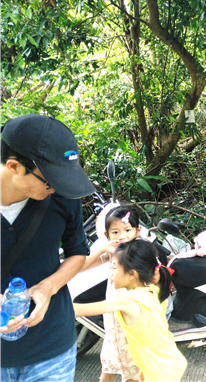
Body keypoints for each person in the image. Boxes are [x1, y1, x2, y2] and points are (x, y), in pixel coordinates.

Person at [1, 114, 95, 381]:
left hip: (52, 350)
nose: (56, 189)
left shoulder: (62, 197)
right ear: (14, 166)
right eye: (50, 181)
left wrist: (48, 287)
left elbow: (78, 252)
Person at [74, 239, 187, 382]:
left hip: (158, 372)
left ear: (132, 274)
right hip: (169, 362)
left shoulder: (127, 300)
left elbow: (78, 310)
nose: (111, 273)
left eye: (114, 268)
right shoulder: (154, 291)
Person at [80, 207, 143, 382]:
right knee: (109, 363)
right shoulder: (113, 254)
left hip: (133, 323)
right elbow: (80, 267)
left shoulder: (142, 253)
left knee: (133, 369)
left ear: (138, 231)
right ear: (107, 235)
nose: (122, 236)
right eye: (115, 232)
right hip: (113, 325)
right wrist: (102, 249)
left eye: (127, 230)